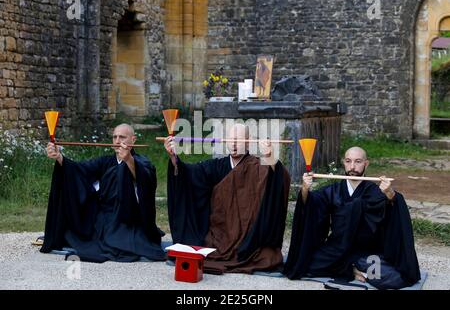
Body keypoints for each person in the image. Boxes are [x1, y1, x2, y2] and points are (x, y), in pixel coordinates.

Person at [283, 147, 421, 289]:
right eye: (348, 161)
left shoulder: (375, 191)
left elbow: (394, 210)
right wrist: (305, 188)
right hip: (337, 248)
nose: (352, 167)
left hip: (366, 251)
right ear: (344, 162)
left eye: (358, 161)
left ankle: (355, 266)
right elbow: (311, 204)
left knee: (393, 279)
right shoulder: (334, 189)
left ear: (366, 164)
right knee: (303, 264)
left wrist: (391, 194)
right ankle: (352, 270)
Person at [165, 123, 291, 274]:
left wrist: (269, 156)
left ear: (249, 141)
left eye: (238, 139)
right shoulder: (217, 166)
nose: (234, 144)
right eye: (231, 139)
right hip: (220, 234)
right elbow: (189, 174)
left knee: (268, 257)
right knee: (204, 250)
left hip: (248, 236)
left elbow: (278, 178)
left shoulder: (257, 166)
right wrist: (174, 158)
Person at [40, 124, 166, 263]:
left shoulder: (142, 162)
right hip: (105, 216)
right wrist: (59, 157)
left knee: (131, 242)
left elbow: (145, 179)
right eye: (114, 137)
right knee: (72, 233)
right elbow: (80, 170)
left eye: (122, 137)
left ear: (133, 140)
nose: (117, 141)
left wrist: (129, 159)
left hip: (129, 218)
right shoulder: (105, 161)